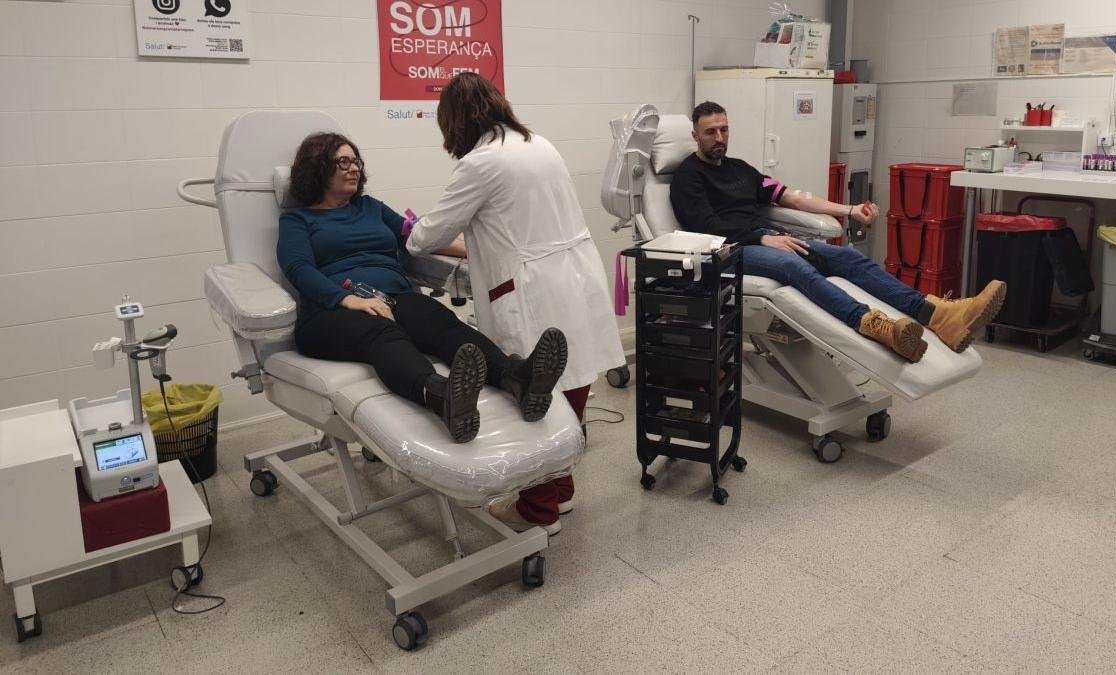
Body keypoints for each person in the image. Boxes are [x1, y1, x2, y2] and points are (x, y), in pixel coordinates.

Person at [406, 72, 625, 534]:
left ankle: (536, 510)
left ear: (454, 122)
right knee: (574, 379)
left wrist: (410, 229)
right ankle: (559, 492)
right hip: (575, 274)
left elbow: (429, 235)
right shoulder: (539, 144)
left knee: (533, 393)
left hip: (529, 289)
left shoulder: (479, 164)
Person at [277, 132, 568, 446]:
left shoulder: (370, 207)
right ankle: (440, 395)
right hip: (328, 313)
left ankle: (517, 378)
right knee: (383, 332)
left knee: (440, 322)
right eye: (343, 161)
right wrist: (346, 299)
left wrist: (477, 250)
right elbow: (299, 269)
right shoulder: (298, 220)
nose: (355, 168)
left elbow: (416, 236)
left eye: (356, 161)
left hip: (393, 296)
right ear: (317, 167)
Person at [670, 101, 1006, 361]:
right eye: (711, 132)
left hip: (764, 238)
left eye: (724, 130)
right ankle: (874, 325)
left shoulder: (740, 169)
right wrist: (762, 238)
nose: (719, 138)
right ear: (695, 135)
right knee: (793, 266)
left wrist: (848, 210)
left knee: (847, 257)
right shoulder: (688, 176)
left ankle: (937, 315)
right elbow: (706, 226)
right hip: (727, 251)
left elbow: (792, 197)